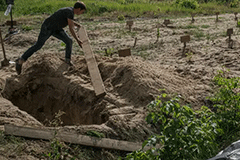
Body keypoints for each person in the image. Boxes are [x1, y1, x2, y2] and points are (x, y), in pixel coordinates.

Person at [15, 1, 86, 75]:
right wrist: (77, 40)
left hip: (56, 29)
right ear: (79, 9)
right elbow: (71, 28)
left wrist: (77, 25)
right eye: (82, 12)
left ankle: (67, 61)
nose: (81, 13)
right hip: (47, 27)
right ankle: (20, 60)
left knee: (69, 41)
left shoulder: (70, 12)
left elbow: (69, 21)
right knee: (38, 45)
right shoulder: (69, 12)